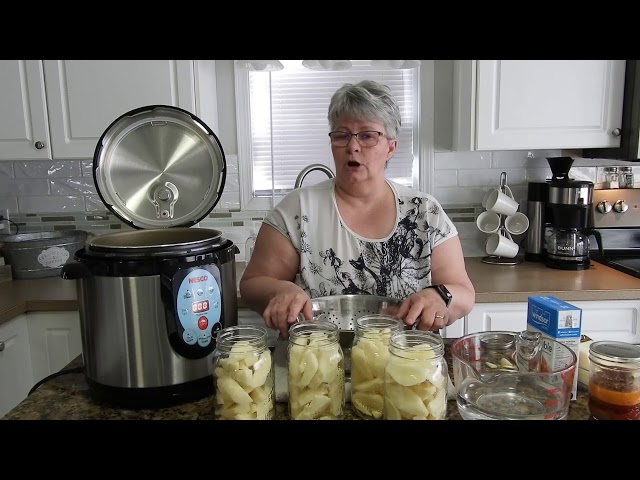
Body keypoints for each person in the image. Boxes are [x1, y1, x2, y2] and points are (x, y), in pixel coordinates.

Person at [239, 79, 475, 338]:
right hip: (316, 362)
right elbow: (252, 285)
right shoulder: (297, 211)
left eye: (367, 136)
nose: (353, 146)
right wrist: (279, 290)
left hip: (408, 364)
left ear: (391, 147)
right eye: (342, 135)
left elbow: (463, 292)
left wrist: (438, 296)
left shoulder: (424, 212)